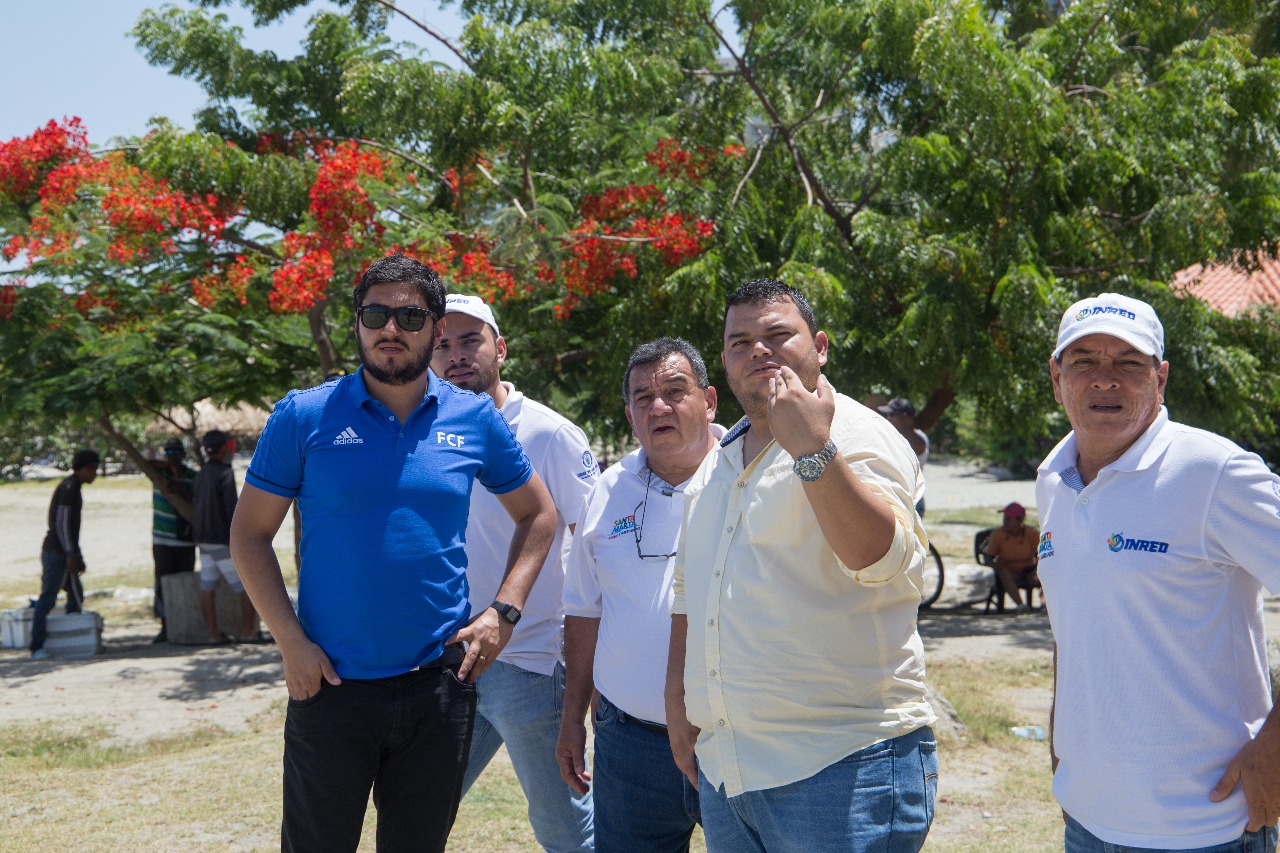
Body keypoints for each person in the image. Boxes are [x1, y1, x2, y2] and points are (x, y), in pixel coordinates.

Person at [229, 253, 559, 853]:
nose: (390, 328)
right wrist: (290, 643)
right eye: (375, 314)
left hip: (438, 688)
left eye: (409, 316)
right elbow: (249, 535)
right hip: (329, 685)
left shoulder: (474, 417)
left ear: (435, 328)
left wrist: (503, 612)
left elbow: (539, 514)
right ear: (356, 322)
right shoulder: (303, 415)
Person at [667, 279, 937, 853]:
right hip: (729, 769)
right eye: (740, 342)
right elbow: (691, 589)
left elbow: (884, 562)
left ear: (820, 347)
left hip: (842, 768)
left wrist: (813, 450)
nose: (758, 351)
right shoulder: (719, 459)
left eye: (777, 335)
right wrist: (680, 706)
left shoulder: (860, 436)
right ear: (724, 363)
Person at [1038, 292, 1280, 852]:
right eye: (1084, 361)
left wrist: (1276, 746)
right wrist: (1061, 744)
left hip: (1206, 826)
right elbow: (1073, 626)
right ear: (1056, 377)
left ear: (1160, 377)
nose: (1105, 378)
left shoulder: (1214, 472)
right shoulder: (1054, 478)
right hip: (1088, 820)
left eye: (1128, 363)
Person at [431, 293, 596, 853]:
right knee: (417, 810)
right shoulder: (426, 433)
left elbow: (594, 549)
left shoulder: (548, 434)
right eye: (443, 345)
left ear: (500, 348)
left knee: (566, 832)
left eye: (470, 340)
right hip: (448, 662)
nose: (457, 355)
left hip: (530, 664)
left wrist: (590, 665)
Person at [558, 337, 718, 853]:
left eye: (675, 391)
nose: (659, 407)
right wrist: (572, 720)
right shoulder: (607, 491)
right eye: (643, 398)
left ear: (710, 401)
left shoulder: (747, 478)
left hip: (734, 741)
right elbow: (584, 611)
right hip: (629, 744)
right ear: (630, 417)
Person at [30, 448, 98, 660]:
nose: (95, 474)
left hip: (64, 551)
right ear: (84, 469)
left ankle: (73, 639)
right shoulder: (69, 488)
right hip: (56, 552)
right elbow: (62, 523)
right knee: (48, 598)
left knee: (75, 593)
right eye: (93, 469)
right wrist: (70, 553)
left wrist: (78, 555)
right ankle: (37, 646)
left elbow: (70, 528)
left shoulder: (74, 487)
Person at [192, 429, 257, 645]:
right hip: (221, 538)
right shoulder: (225, 473)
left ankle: (214, 635)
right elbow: (232, 509)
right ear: (223, 449)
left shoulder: (200, 474)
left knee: (207, 586)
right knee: (246, 584)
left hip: (203, 538)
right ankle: (248, 631)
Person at [151, 437, 197, 643]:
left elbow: (198, 496)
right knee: (162, 583)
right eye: (169, 453)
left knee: (185, 582)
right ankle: (165, 625)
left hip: (186, 538)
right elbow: (145, 463)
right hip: (162, 538)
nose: (173, 457)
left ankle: (185, 622)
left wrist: (179, 487)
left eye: (177, 453)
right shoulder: (158, 474)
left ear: (184, 455)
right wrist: (167, 466)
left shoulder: (192, 476)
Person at [982, 501, 1039, 615]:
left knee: (1046, 571)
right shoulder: (998, 534)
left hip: (1028, 569)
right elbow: (987, 558)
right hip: (1009, 570)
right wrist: (996, 565)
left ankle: (1046, 604)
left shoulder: (1032, 533)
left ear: (1020, 520)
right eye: (1004, 518)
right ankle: (1021, 605)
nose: (1005, 522)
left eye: (1008, 519)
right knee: (1003, 571)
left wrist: (1036, 570)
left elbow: (1042, 555)